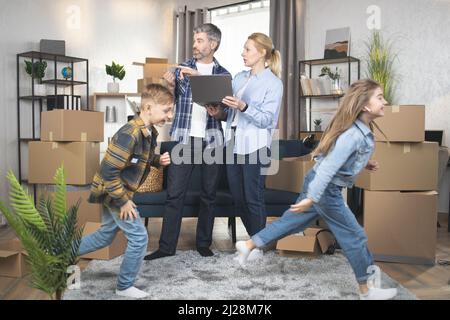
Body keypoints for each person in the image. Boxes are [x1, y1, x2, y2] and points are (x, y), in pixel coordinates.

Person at [234, 79, 399, 300]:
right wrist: (312, 198)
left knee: (290, 223)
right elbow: (329, 168)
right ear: (365, 106)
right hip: (324, 189)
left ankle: (248, 245)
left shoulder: (359, 130)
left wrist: (364, 163)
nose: (385, 101)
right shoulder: (353, 135)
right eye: (379, 97)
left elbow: (336, 157)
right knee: (355, 236)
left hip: (319, 183)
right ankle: (367, 290)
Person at [145, 23, 230, 261]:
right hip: (184, 139)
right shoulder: (182, 69)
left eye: (200, 40)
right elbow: (170, 101)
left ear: (213, 44)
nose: (195, 45)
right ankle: (166, 247)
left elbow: (223, 110)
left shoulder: (223, 74)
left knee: (209, 194)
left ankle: (204, 243)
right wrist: (170, 85)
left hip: (212, 140)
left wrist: (199, 79)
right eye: (194, 40)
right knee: (175, 194)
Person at [79, 84, 173, 299]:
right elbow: (108, 172)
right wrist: (122, 202)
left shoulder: (149, 132)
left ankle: (61, 253)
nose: (170, 115)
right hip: (114, 192)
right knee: (139, 237)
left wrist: (158, 160)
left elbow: (140, 159)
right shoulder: (129, 134)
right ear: (148, 107)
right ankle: (124, 285)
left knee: (104, 235)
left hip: (117, 191)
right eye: (166, 110)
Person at [207, 32, 283, 262]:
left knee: (253, 197)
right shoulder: (239, 78)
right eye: (243, 48)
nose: (243, 53)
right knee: (238, 198)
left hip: (256, 146)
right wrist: (219, 112)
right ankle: (254, 242)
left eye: (248, 49)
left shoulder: (273, 83)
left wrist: (243, 105)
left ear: (262, 53)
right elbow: (231, 114)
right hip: (233, 145)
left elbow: (268, 119)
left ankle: (257, 247)